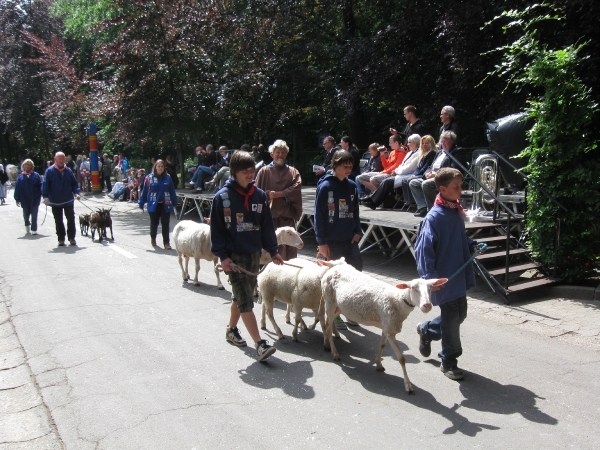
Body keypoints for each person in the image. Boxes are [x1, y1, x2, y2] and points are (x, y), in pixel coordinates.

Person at [209, 150, 284, 361]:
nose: (250, 174)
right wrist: (222, 257)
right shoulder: (222, 198)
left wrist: (274, 250)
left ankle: (231, 330)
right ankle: (260, 344)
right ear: (234, 171)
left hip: (254, 254)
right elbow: (216, 231)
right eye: (245, 171)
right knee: (246, 301)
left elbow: (267, 226)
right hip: (233, 257)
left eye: (252, 170)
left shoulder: (259, 196)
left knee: (241, 296)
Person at [415, 167, 478, 381]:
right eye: (456, 187)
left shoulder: (454, 211)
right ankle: (449, 360)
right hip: (443, 278)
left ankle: (427, 330)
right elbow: (423, 250)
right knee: (452, 320)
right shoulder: (434, 217)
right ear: (442, 189)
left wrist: (471, 245)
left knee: (460, 315)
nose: (461, 190)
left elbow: (458, 239)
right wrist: (430, 279)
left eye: (461, 186)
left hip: (457, 274)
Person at [314, 149, 363, 329]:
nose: (349, 168)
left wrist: (358, 230)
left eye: (350, 166)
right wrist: (321, 242)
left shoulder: (351, 186)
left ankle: (349, 311)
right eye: (345, 165)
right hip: (331, 242)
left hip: (350, 240)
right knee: (333, 281)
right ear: (335, 165)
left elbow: (356, 210)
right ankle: (334, 316)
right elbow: (318, 215)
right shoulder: (326, 186)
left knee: (355, 275)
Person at [255, 139, 303, 260]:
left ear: (286, 154)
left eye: (283, 152)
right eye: (278, 152)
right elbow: (255, 193)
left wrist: (279, 194)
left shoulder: (293, 172)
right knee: (268, 250)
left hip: (287, 218)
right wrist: (267, 195)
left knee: (289, 249)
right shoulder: (263, 171)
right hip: (269, 219)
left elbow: (296, 188)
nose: (280, 155)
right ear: (272, 154)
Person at [409, 130, 466, 217]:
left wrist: (437, 174)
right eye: (442, 142)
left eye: (446, 142)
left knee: (426, 184)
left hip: (446, 179)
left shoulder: (457, 151)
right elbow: (430, 166)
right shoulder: (439, 152)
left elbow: (454, 169)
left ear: (452, 142)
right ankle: (423, 207)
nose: (443, 144)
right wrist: (427, 174)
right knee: (413, 183)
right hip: (433, 176)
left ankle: (434, 210)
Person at [360, 134, 422, 209]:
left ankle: (373, 201)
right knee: (380, 180)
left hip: (405, 174)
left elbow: (409, 167)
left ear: (415, 143)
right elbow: (397, 166)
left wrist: (396, 171)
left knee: (385, 181)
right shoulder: (408, 153)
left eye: (409, 142)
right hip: (397, 173)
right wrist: (382, 156)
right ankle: (373, 200)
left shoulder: (417, 153)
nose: (407, 144)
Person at [42, 152, 81, 246]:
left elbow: (74, 184)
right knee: (58, 220)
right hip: (55, 201)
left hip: (68, 200)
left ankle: (71, 238)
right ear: (55, 159)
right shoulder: (49, 171)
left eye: (63, 158)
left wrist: (76, 193)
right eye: (59, 158)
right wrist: (45, 197)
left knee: (71, 219)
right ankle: (61, 239)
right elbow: (45, 184)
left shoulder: (68, 171)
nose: (61, 160)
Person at [138, 159, 178, 249]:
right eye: (158, 166)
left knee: (165, 223)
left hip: (165, 204)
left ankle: (166, 243)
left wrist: (174, 202)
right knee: (154, 223)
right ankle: (153, 238)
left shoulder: (168, 178)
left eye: (162, 166)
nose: (160, 168)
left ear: (164, 168)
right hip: (153, 204)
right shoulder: (149, 178)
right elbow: (144, 191)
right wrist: (141, 202)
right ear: (155, 167)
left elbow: (172, 191)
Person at [400, 135, 438, 208]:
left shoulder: (432, 154)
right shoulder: (423, 154)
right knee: (405, 180)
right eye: (423, 143)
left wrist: (415, 175)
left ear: (431, 144)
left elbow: (426, 167)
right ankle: (408, 201)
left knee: (410, 180)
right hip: (419, 174)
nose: (424, 145)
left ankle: (414, 202)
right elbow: (418, 167)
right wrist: (414, 174)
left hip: (424, 174)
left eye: (427, 143)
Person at [14, 159, 42, 234]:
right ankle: (27, 225)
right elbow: (17, 188)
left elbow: (41, 186)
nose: (27, 166)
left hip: (35, 198)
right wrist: (17, 199)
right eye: (25, 165)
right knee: (26, 215)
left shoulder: (36, 175)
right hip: (24, 199)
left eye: (28, 165)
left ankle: (34, 229)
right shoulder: (20, 177)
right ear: (23, 166)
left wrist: (44, 195)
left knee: (34, 215)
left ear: (31, 166)